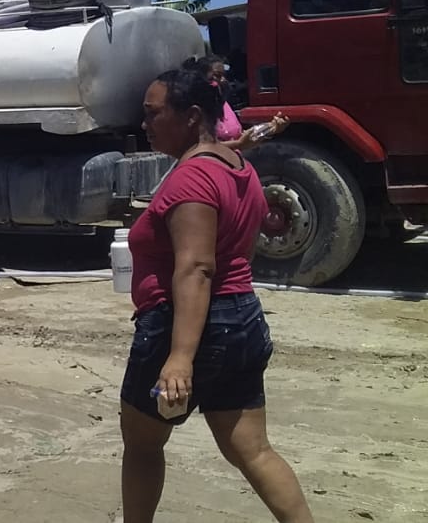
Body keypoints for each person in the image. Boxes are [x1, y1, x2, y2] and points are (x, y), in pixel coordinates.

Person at [120, 68, 313, 523]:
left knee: (143, 446)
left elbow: (197, 267)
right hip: (241, 318)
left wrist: (179, 357)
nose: (144, 124)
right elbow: (237, 252)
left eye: (153, 114)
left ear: (191, 116)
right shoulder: (238, 167)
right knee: (253, 451)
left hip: (184, 325)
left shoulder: (192, 179)